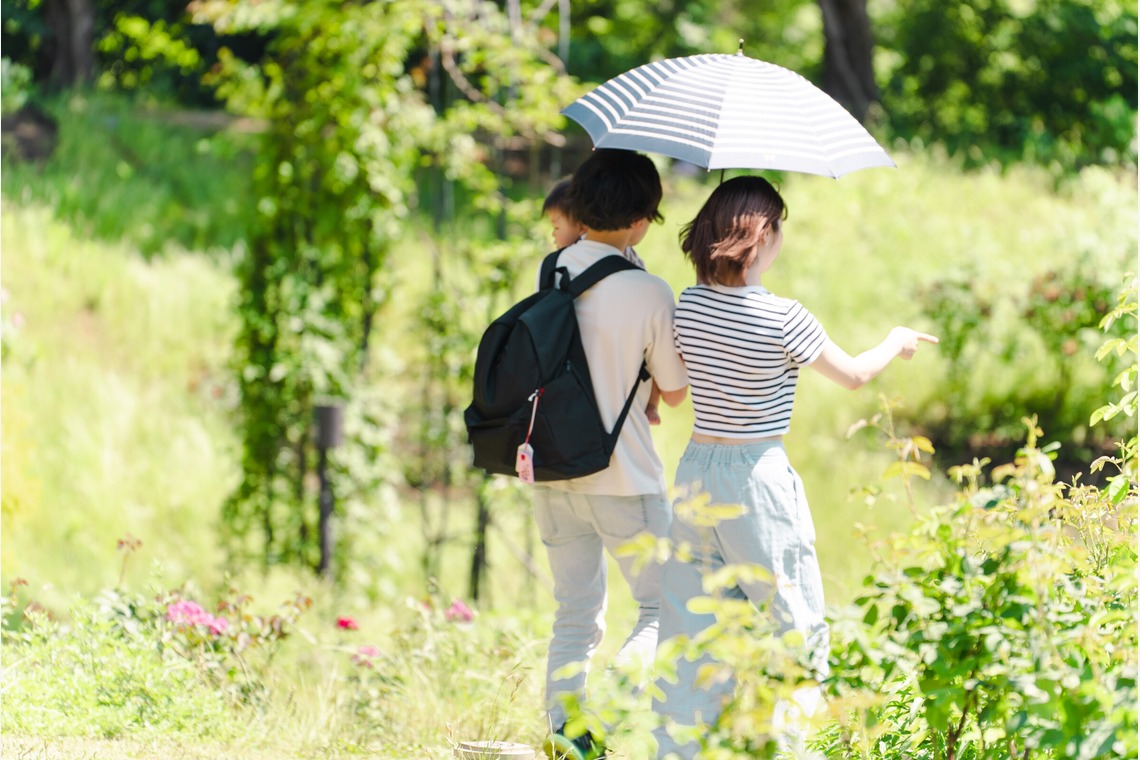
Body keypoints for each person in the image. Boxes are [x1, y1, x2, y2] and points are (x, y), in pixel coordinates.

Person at [651, 176, 938, 759]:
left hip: (695, 470)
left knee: (691, 626)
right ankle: (788, 750)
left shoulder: (689, 303)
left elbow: (676, 379)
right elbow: (855, 374)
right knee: (793, 626)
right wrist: (896, 340)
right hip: (756, 473)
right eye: (777, 226)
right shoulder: (784, 317)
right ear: (761, 238)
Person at [534, 150, 690, 760]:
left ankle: (568, 735)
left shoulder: (552, 270)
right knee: (663, 605)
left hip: (551, 470)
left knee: (575, 613)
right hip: (624, 474)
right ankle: (614, 712)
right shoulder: (648, 289)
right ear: (639, 218)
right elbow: (674, 392)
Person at [543, 177, 666, 425]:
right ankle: (650, 404)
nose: (553, 235)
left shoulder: (556, 267)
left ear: (581, 226)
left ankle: (652, 404)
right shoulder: (557, 265)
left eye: (557, 227)